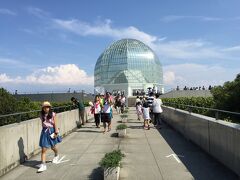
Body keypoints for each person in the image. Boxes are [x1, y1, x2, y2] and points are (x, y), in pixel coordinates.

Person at [38, 101, 61, 173]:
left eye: (47, 107)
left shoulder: (53, 114)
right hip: (45, 132)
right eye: (45, 107)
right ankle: (43, 165)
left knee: (53, 147)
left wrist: (56, 132)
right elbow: (42, 124)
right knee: (43, 149)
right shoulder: (41, 115)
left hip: (52, 131)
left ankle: (56, 155)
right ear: (43, 108)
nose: (46, 108)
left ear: (49, 108)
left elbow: (55, 124)